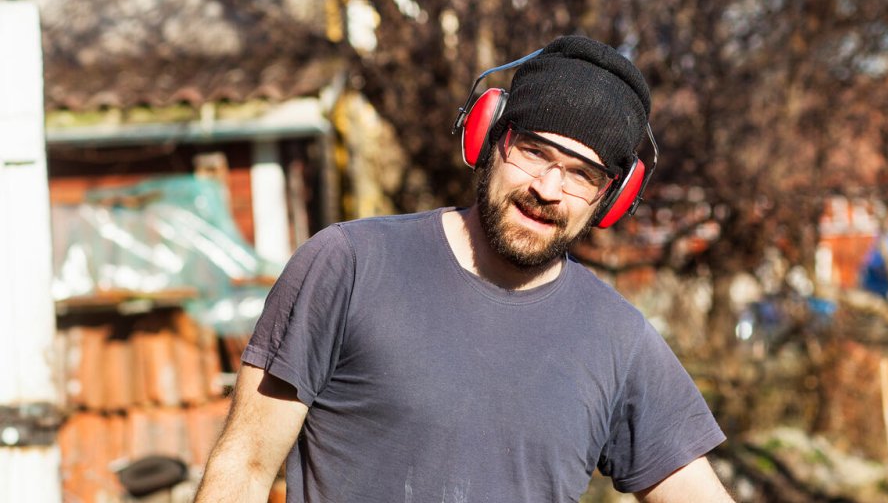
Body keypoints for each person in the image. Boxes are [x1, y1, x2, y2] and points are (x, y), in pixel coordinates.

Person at [194, 35, 733, 502]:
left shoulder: (620, 341)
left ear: (612, 199)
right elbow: (245, 464)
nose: (547, 189)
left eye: (582, 175)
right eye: (534, 151)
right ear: (489, 136)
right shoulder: (349, 265)